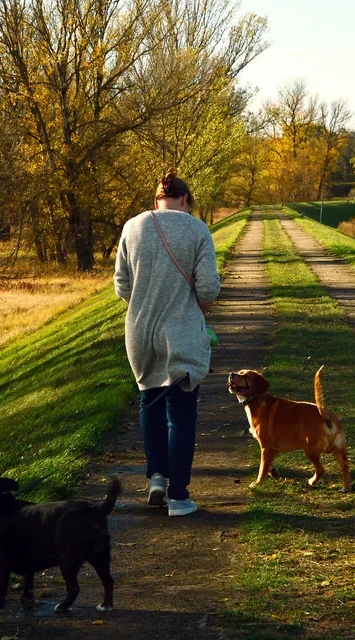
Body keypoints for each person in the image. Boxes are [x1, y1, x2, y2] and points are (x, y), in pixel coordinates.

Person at [113, 170, 220, 517]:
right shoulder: (197, 230)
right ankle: (179, 497)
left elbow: (122, 288)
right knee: (182, 412)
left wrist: (148, 302)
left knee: (150, 404)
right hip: (181, 332)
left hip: (140, 332)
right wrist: (193, 309)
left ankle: (156, 477)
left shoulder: (132, 227)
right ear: (186, 200)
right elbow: (207, 290)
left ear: (155, 200)